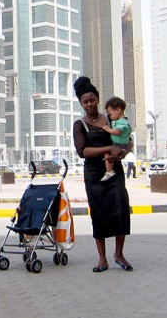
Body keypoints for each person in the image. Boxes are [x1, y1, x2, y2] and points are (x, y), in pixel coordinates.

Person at [72, 76, 133, 273]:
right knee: (98, 214)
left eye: (92, 100)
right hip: (94, 174)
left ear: (98, 99)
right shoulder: (80, 124)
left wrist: (123, 151)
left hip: (114, 170)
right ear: (81, 104)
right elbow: (83, 152)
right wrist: (109, 147)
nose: (89, 104)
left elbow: (127, 138)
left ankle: (119, 254)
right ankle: (102, 259)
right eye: (85, 102)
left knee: (120, 209)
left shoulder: (110, 119)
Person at [100, 96, 132, 182]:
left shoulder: (122, 122)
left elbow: (118, 132)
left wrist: (107, 129)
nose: (110, 117)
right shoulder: (122, 121)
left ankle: (109, 171)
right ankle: (109, 171)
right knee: (108, 156)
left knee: (107, 155)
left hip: (119, 144)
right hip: (120, 143)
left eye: (110, 114)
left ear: (118, 110)